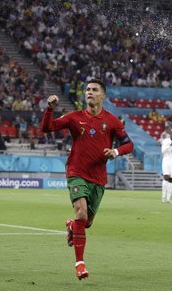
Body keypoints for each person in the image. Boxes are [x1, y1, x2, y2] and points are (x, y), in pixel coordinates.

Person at [41, 78, 134, 280]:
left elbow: (129, 145)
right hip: (76, 172)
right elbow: (47, 128)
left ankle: (72, 226)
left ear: (103, 95)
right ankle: (80, 264)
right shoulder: (74, 117)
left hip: (98, 178)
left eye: (94, 90)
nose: (89, 92)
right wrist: (49, 109)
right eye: (88, 90)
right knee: (81, 213)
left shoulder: (112, 121)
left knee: (86, 222)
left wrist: (116, 151)